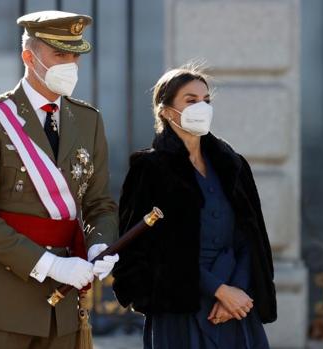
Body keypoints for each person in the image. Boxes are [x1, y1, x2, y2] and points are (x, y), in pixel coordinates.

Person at [0, 10, 118, 349]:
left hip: (62, 307)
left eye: (75, 55)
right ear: (29, 57)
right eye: (60, 54)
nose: (70, 63)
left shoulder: (88, 121)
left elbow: (99, 202)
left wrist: (100, 243)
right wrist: (50, 264)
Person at [112, 64, 277, 348]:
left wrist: (234, 292)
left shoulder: (232, 164)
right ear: (165, 111)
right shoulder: (149, 169)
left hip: (235, 308)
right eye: (191, 100)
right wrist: (218, 289)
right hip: (179, 307)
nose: (202, 107)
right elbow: (145, 247)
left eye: (206, 101)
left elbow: (251, 236)